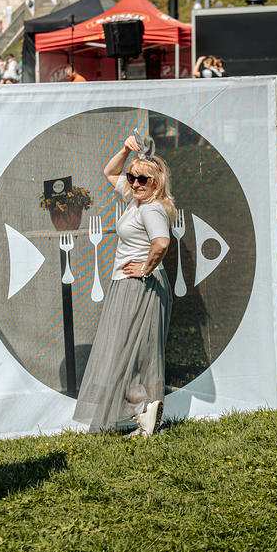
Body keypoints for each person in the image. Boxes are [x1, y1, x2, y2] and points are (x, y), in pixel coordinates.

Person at [73, 133, 175, 437]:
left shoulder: (151, 208)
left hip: (139, 286)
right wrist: (124, 149)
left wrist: (144, 268)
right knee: (127, 351)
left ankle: (143, 408)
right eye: (132, 178)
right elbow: (109, 172)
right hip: (129, 284)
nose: (135, 183)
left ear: (156, 183)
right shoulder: (135, 200)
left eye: (143, 179)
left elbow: (161, 242)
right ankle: (145, 412)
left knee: (126, 352)